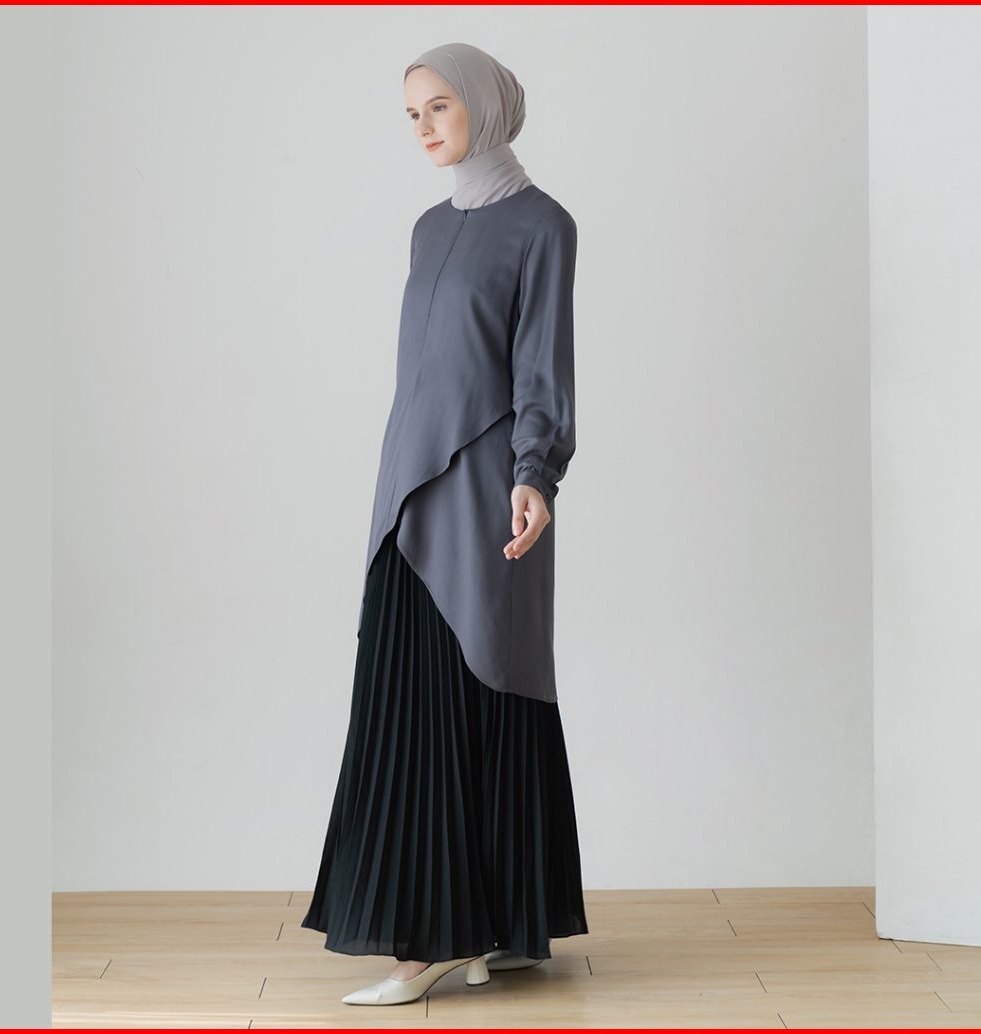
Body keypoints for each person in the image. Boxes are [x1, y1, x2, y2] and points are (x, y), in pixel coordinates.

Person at [301, 41, 588, 1006]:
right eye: (411, 113)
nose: (423, 127)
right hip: (405, 492)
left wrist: (536, 475)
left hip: (488, 495)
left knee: (481, 690)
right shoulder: (428, 229)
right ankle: (491, 929)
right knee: (409, 695)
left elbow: (542, 368)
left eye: (439, 106)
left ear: (485, 105)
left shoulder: (543, 225)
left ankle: (431, 946)